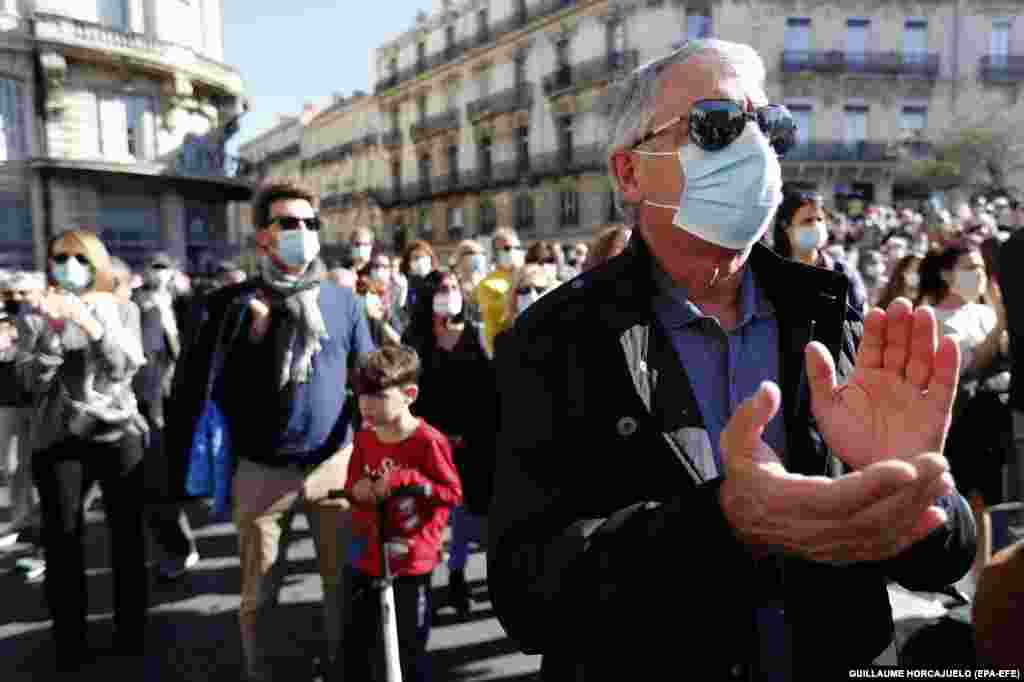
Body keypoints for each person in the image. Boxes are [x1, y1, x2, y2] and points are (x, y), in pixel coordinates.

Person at [488, 39, 975, 680]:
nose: (754, 150)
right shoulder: (554, 339)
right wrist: (720, 526)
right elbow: (527, 594)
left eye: (769, 127)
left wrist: (917, 489)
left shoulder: (830, 314)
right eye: (715, 125)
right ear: (631, 172)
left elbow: (944, 560)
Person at [165, 183, 375, 682]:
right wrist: (254, 338)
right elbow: (201, 387)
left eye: (310, 224)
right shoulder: (229, 305)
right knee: (259, 595)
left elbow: (367, 375)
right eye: (289, 224)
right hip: (261, 472)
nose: (302, 232)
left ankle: (342, 671)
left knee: (341, 591)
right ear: (263, 236)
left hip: (333, 466)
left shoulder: (343, 302)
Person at [16, 230, 149, 671]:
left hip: (117, 431)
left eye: (80, 257)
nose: (69, 266)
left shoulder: (124, 309)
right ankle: (70, 642)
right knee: (63, 540)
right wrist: (52, 335)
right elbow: (28, 383)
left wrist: (90, 325)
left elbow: (122, 368)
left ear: (97, 264)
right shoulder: (35, 314)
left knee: (127, 536)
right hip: (58, 437)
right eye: (61, 257)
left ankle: (131, 633)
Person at [344, 345, 463, 682]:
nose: (366, 404)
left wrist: (408, 480)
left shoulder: (428, 441)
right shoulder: (364, 439)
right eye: (361, 395)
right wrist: (359, 490)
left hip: (411, 562)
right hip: (368, 557)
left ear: (409, 394)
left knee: (409, 650)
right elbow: (352, 485)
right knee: (363, 645)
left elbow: (452, 493)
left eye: (378, 396)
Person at [401, 270, 492, 617]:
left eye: (454, 287)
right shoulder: (415, 339)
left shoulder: (477, 334)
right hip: (429, 443)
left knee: (466, 516)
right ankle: (421, 583)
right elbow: (408, 395)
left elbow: (489, 392)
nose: (450, 293)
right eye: (442, 288)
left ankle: (457, 575)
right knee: (428, 517)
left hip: (473, 441)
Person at [920, 245, 1009, 587]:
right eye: (970, 267)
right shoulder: (936, 318)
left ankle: (980, 579)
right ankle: (952, 576)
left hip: (991, 417)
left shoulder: (983, 312)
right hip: (958, 422)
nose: (979, 275)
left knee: (985, 502)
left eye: (981, 267)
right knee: (958, 499)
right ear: (947, 274)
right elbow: (970, 364)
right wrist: (1001, 321)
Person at [131, 252, 202, 580]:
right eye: (153, 267)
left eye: (164, 268)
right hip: (146, 398)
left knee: (164, 479)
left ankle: (179, 548)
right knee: (154, 480)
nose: (158, 274)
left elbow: (186, 349)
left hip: (178, 401)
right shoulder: (137, 303)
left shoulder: (187, 303)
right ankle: (174, 548)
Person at [0, 271, 45, 548]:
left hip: (39, 402)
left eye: (23, 293)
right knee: (12, 466)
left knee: (38, 465)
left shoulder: (45, 320)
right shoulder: (3, 322)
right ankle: (21, 520)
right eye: (9, 293)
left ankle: (38, 521)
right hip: (7, 402)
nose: (16, 298)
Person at [772, 188, 868, 313]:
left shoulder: (845, 273)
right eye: (807, 221)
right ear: (787, 228)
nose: (815, 226)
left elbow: (860, 318)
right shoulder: (771, 274)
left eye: (819, 219)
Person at [476, 227, 524, 356]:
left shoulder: (529, 275)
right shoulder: (487, 284)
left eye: (517, 247)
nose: (513, 252)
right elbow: (502, 318)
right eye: (507, 248)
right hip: (504, 351)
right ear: (495, 253)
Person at [451, 240, 488, 325]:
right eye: (472, 253)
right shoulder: (453, 283)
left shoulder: (487, 281)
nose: (477, 256)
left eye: (482, 253)